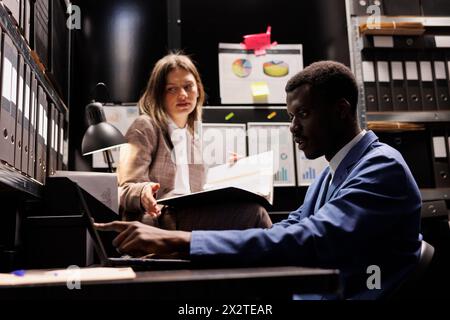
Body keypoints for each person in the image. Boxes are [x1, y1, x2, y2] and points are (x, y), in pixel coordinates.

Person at [98, 61, 422, 299]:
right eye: (290, 117)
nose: (292, 128)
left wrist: (184, 241)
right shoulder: (330, 174)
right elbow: (291, 228)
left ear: (340, 111)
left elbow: (310, 239)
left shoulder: (381, 168)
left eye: (303, 115)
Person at [118, 52, 272, 230]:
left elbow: (200, 194)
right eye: (171, 89)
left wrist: (230, 174)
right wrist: (143, 192)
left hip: (189, 218)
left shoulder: (194, 139)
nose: (183, 95)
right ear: (158, 94)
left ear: (198, 90)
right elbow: (124, 189)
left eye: (188, 86)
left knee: (249, 215)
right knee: (254, 214)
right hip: (161, 221)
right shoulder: (144, 127)